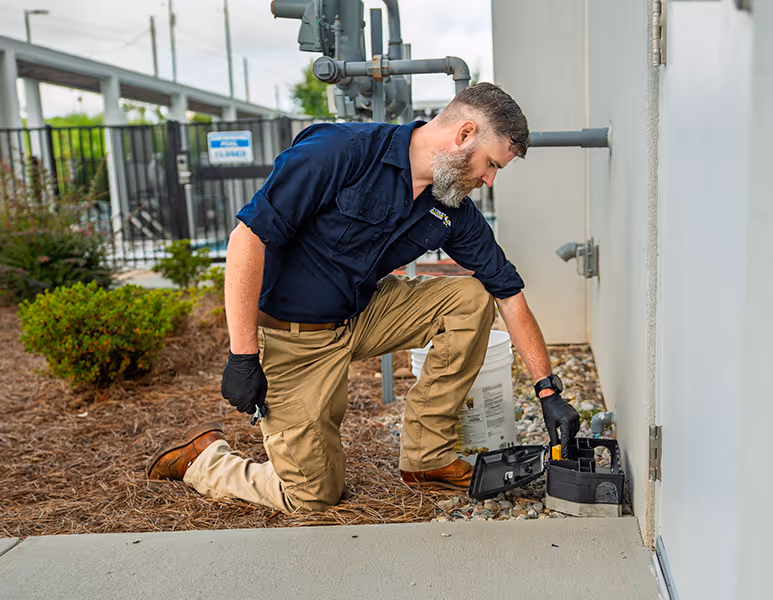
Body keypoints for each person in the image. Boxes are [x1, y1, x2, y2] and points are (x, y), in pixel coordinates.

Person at [147, 83, 579, 512]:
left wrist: (548, 392)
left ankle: (426, 459)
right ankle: (205, 461)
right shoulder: (341, 150)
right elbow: (247, 239)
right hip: (294, 338)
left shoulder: (449, 206)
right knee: (314, 496)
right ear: (464, 134)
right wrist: (242, 356)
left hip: (359, 313)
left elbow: (509, 294)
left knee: (470, 298)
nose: (488, 180)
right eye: (490, 164)